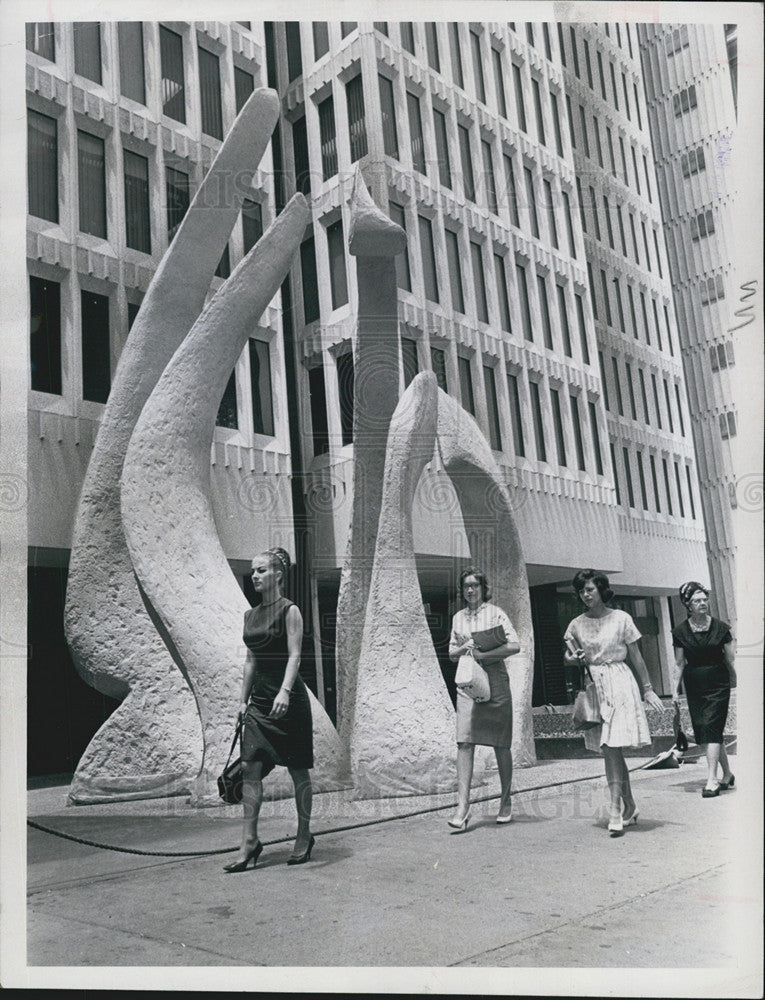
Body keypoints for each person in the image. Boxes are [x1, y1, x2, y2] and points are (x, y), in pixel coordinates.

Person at [223, 548, 314, 872]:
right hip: (259, 702)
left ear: (278, 574)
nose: (255, 576)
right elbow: (250, 660)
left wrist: (286, 692)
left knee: (298, 769)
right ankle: (249, 841)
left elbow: (295, 656)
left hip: (287, 699)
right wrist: (241, 701)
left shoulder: (290, 611)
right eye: (253, 571)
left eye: (261, 570)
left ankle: (303, 834)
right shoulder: (250, 616)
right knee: (250, 768)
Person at [563, 570, 664, 836]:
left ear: (601, 590)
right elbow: (567, 655)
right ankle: (629, 805)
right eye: (582, 591)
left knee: (611, 745)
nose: (585, 595)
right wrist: (574, 657)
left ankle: (616, 809)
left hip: (620, 682)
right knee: (612, 749)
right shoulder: (575, 624)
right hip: (596, 686)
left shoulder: (622, 618)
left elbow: (637, 656)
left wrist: (649, 690)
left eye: (590, 590)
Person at [447, 567, 521, 832]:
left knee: (501, 743)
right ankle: (462, 807)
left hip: (495, 678)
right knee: (464, 741)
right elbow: (451, 654)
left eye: (474, 586)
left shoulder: (496, 613)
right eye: (466, 586)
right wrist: (464, 649)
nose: (470, 591)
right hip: (468, 680)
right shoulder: (457, 618)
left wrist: (484, 653)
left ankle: (505, 800)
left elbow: (515, 645)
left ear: (483, 588)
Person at [672, 581, 736, 797]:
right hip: (695, 685)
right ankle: (727, 774)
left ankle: (711, 780)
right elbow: (679, 663)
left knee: (710, 726)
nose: (702, 603)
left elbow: (731, 659)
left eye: (704, 599)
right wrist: (674, 691)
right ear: (688, 605)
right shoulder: (680, 631)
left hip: (718, 683)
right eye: (697, 600)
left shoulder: (721, 628)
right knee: (707, 729)